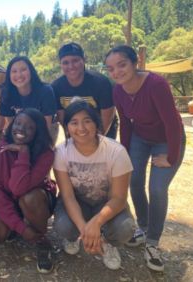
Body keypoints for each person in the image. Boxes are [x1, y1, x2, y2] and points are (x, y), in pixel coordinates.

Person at [105, 45, 186, 272]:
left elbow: (172, 123)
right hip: (141, 137)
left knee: (157, 188)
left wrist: (171, 156)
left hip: (168, 139)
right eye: (111, 68)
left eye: (122, 65)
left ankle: (153, 243)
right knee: (134, 180)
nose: (117, 72)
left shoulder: (156, 85)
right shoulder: (118, 91)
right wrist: (124, 154)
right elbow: (126, 124)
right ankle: (143, 226)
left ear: (135, 62)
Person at [53, 99, 134, 270]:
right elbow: (67, 195)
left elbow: (119, 198)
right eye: (74, 123)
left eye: (87, 121)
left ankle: (109, 243)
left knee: (125, 228)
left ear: (97, 123)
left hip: (105, 203)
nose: (81, 128)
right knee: (63, 226)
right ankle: (75, 237)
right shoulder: (61, 152)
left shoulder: (116, 151)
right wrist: (85, 231)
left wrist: (96, 223)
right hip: (77, 202)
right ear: (66, 127)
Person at [0, 108, 56, 274]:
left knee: (28, 198)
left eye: (29, 127)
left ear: (37, 132)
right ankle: (16, 224)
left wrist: (24, 153)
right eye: (18, 123)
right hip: (9, 199)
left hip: (35, 199)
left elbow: (18, 188)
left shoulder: (46, 154)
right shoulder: (0, 149)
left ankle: (41, 241)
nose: (20, 128)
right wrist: (21, 228)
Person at [51, 42, 117, 138]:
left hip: (103, 129)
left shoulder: (101, 83)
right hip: (75, 131)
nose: (71, 66)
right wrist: (72, 137)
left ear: (84, 59)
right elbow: (63, 118)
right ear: (60, 64)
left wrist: (96, 139)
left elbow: (107, 115)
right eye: (65, 62)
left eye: (75, 60)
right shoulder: (56, 87)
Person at [0, 56, 57, 143]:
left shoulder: (45, 91)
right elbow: (11, 125)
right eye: (14, 71)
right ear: (9, 75)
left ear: (31, 71)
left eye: (23, 70)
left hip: (42, 135)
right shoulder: (6, 93)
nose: (19, 75)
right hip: (20, 135)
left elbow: (46, 126)